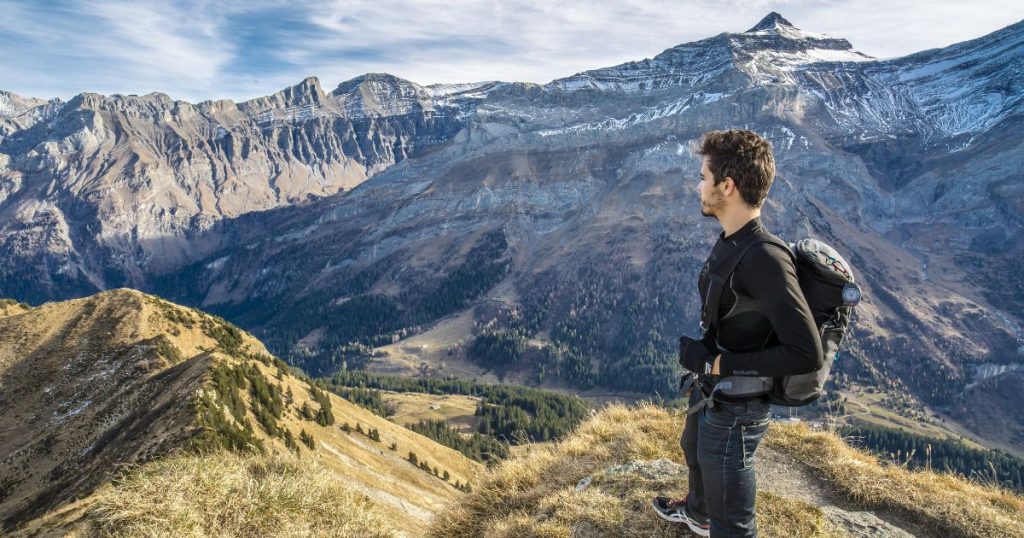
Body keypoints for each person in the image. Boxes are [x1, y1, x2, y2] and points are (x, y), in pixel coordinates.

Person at [652, 129, 824, 537]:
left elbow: (806, 353)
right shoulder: (735, 239)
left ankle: (715, 521)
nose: (698, 186)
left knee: (734, 518)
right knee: (694, 450)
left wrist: (717, 362)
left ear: (726, 186)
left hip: (739, 408)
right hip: (717, 389)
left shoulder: (764, 258)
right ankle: (698, 513)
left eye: (703, 177)